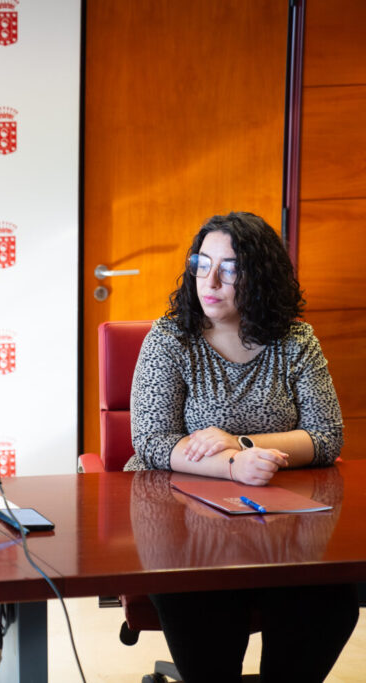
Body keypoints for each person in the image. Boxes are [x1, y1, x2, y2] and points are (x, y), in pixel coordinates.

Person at [127, 211, 358, 682]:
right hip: (184, 526)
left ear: (261, 276)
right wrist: (233, 465)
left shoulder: (295, 340)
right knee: (204, 609)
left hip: (281, 526)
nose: (210, 281)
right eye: (202, 264)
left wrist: (242, 443)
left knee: (329, 600)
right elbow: (152, 440)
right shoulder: (170, 338)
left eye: (229, 269)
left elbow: (326, 437)